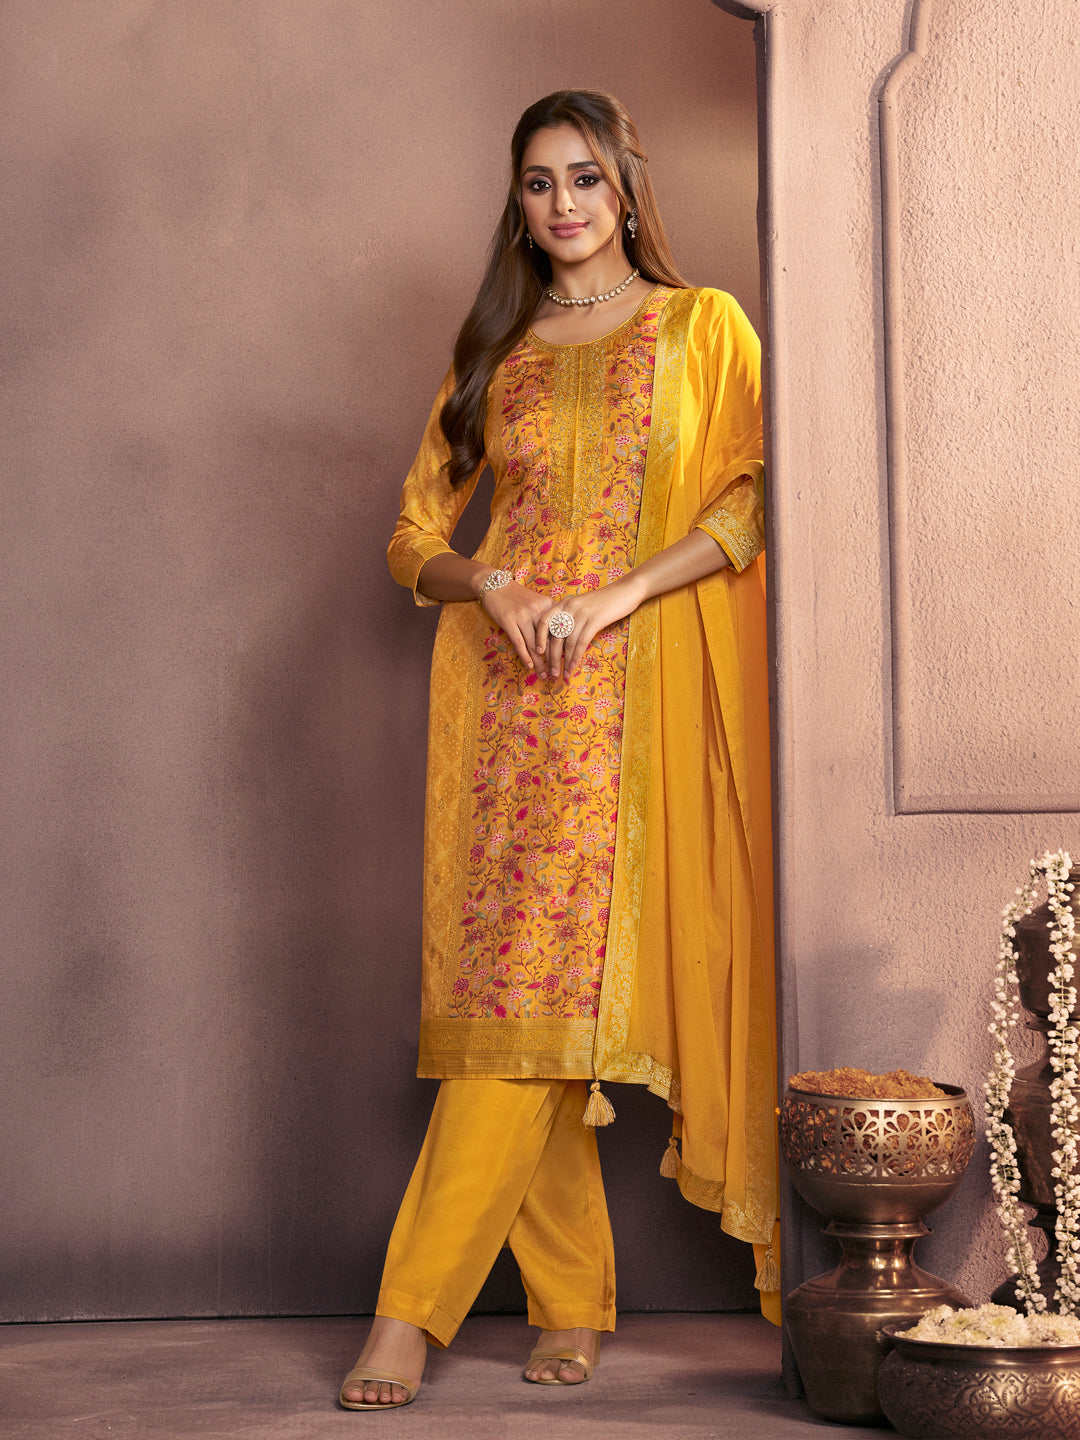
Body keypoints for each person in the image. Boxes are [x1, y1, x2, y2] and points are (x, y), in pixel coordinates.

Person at [340, 88, 778, 1412]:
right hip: (506, 712)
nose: (564, 203)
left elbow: (749, 500)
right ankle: (572, 1298)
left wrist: (622, 592)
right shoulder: (498, 351)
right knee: (519, 1006)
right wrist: (496, 585)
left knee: (533, 1007)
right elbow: (413, 537)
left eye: (585, 177)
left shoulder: (703, 328)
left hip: (631, 708)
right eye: (539, 182)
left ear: (627, 189)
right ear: (518, 204)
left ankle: (406, 1315)